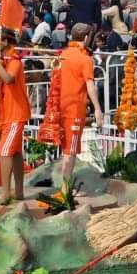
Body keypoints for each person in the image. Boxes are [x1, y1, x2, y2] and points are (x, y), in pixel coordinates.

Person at [55, 24, 103, 186]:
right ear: (85, 38)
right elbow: (90, 85)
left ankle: (65, 187)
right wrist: (97, 108)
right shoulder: (85, 59)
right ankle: (65, 190)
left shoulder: (64, 54)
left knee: (67, 150)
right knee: (71, 152)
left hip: (62, 106)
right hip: (75, 109)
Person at [0, 30, 31, 202]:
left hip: (16, 113)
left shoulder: (14, 61)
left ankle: (6, 192)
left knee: (4, 151)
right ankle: (19, 191)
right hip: (8, 113)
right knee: (14, 152)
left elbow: (8, 79)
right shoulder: (5, 61)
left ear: (5, 42)